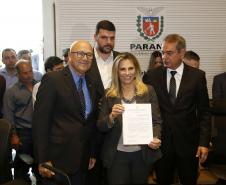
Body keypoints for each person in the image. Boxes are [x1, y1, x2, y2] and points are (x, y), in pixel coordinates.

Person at [143, 34, 211, 185]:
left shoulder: (197, 76)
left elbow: (204, 112)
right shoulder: (152, 76)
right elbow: (144, 108)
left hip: (188, 145)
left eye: (169, 53)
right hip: (160, 143)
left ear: (182, 53)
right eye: (163, 52)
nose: (164, 57)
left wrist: (204, 142)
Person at [32, 40, 99, 185]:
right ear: (69, 56)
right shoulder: (52, 80)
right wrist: (43, 159)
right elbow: (40, 122)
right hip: (57, 160)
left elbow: (90, 122)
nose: (85, 58)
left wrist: (92, 153)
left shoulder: (92, 82)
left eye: (89, 55)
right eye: (80, 53)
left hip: (83, 159)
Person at [97, 52, 162, 185]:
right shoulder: (109, 94)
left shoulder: (148, 91)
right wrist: (111, 116)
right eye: (123, 69)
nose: (127, 73)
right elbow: (100, 125)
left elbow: (156, 121)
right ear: (117, 72)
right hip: (117, 155)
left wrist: (156, 137)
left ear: (136, 69)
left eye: (130, 68)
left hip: (142, 154)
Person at [86, 20, 120, 185]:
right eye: (104, 37)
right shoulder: (85, 60)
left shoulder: (122, 60)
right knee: (93, 178)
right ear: (95, 37)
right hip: (90, 131)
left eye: (112, 38)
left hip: (117, 129)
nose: (108, 42)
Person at [3, 59, 36, 182]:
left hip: (40, 131)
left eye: (30, 71)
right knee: (22, 165)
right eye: (25, 73)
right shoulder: (11, 92)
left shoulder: (40, 86)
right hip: (23, 133)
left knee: (39, 163)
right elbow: (8, 116)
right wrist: (14, 136)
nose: (29, 75)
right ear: (18, 74)